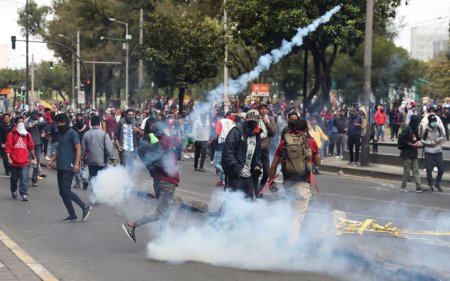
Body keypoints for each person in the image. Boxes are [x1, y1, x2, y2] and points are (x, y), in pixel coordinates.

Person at [122, 122, 181, 242]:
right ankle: (133, 224)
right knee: (160, 213)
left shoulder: (152, 145)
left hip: (158, 182)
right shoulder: (166, 141)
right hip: (167, 183)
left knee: (165, 213)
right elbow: (179, 141)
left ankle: (162, 240)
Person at [268, 118, 320, 245]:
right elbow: (318, 163)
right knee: (297, 217)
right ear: (305, 129)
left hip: (288, 183)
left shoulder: (284, 143)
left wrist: (271, 182)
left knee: (292, 212)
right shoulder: (311, 142)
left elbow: (274, 165)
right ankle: (291, 245)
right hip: (303, 183)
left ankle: (283, 237)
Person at [47, 113, 91, 223]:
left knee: (66, 190)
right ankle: (72, 215)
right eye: (57, 123)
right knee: (62, 192)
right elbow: (59, 151)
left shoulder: (73, 133)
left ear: (65, 122)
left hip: (68, 167)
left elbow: (78, 149)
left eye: (60, 123)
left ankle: (84, 206)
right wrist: (51, 160)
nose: (58, 125)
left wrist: (76, 164)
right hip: (60, 167)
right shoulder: (62, 134)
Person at [222, 109, 262, 199]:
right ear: (246, 120)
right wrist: (236, 167)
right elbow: (228, 152)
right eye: (250, 121)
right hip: (236, 173)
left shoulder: (257, 135)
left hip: (249, 174)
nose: (253, 123)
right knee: (234, 200)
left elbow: (257, 154)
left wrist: (257, 165)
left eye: (255, 121)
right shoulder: (237, 131)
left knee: (248, 201)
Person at [5, 116, 37, 201]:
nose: (21, 123)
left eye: (22, 121)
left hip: (25, 162)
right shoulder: (11, 134)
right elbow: (8, 147)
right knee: (14, 178)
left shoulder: (27, 135)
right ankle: (13, 189)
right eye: (19, 122)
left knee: (24, 178)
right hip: (14, 161)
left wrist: (34, 158)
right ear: (15, 124)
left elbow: (31, 147)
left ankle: (24, 193)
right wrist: (8, 158)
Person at [82, 115, 116, 180]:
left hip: (90, 161)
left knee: (93, 179)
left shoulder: (86, 134)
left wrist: (83, 159)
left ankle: (94, 190)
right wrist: (112, 158)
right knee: (101, 180)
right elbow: (109, 148)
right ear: (99, 123)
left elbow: (83, 149)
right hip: (102, 162)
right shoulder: (104, 134)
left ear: (91, 123)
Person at [398, 115, 425, 192]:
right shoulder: (406, 129)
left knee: (416, 170)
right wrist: (411, 144)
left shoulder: (416, 130)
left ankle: (418, 186)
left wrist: (419, 143)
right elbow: (402, 141)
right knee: (407, 170)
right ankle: (403, 186)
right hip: (407, 153)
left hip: (413, 152)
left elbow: (418, 139)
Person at [419, 114, 445, 192]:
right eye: (433, 121)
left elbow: (443, 137)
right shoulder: (425, 130)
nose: (434, 123)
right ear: (430, 122)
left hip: (438, 152)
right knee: (429, 170)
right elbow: (422, 140)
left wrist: (437, 141)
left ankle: (437, 183)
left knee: (441, 170)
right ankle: (431, 185)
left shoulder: (438, 128)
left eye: (435, 121)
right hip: (429, 153)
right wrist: (430, 143)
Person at [256, 102, 276, 195]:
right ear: (258, 110)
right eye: (261, 109)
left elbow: (273, 133)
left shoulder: (271, 119)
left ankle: (260, 189)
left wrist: (267, 123)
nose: (263, 110)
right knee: (255, 171)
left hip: (265, 149)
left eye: (265, 109)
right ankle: (256, 190)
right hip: (255, 149)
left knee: (267, 172)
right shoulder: (255, 118)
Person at [212, 111, 235, 186]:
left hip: (221, 144)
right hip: (230, 145)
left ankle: (226, 174)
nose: (233, 116)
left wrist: (211, 140)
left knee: (216, 163)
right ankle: (223, 180)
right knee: (224, 163)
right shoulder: (233, 123)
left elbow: (217, 133)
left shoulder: (220, 121)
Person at [25, 112, 45, 187]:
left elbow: (44, 124)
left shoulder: (38, 125)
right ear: (30, 119)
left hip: (37, 146)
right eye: (33, 119)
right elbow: (25, 128)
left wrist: (36, 124)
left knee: (37, 162)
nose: (34, 120)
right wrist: (30, 126)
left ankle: (34, 179)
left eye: (36, 119)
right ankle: (25, 179)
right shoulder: (27, 125)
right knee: (27, 163)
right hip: (29, 146)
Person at [72, 113, 90, 189]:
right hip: (75, 150)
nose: (79, 120)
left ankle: (84, 180)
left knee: (84, 166)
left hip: (84, 150)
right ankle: (78, 182)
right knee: (75, 166)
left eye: (80, 119)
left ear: (83, 120)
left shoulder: (87, 129)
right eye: (78, 119)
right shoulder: (73, 128)